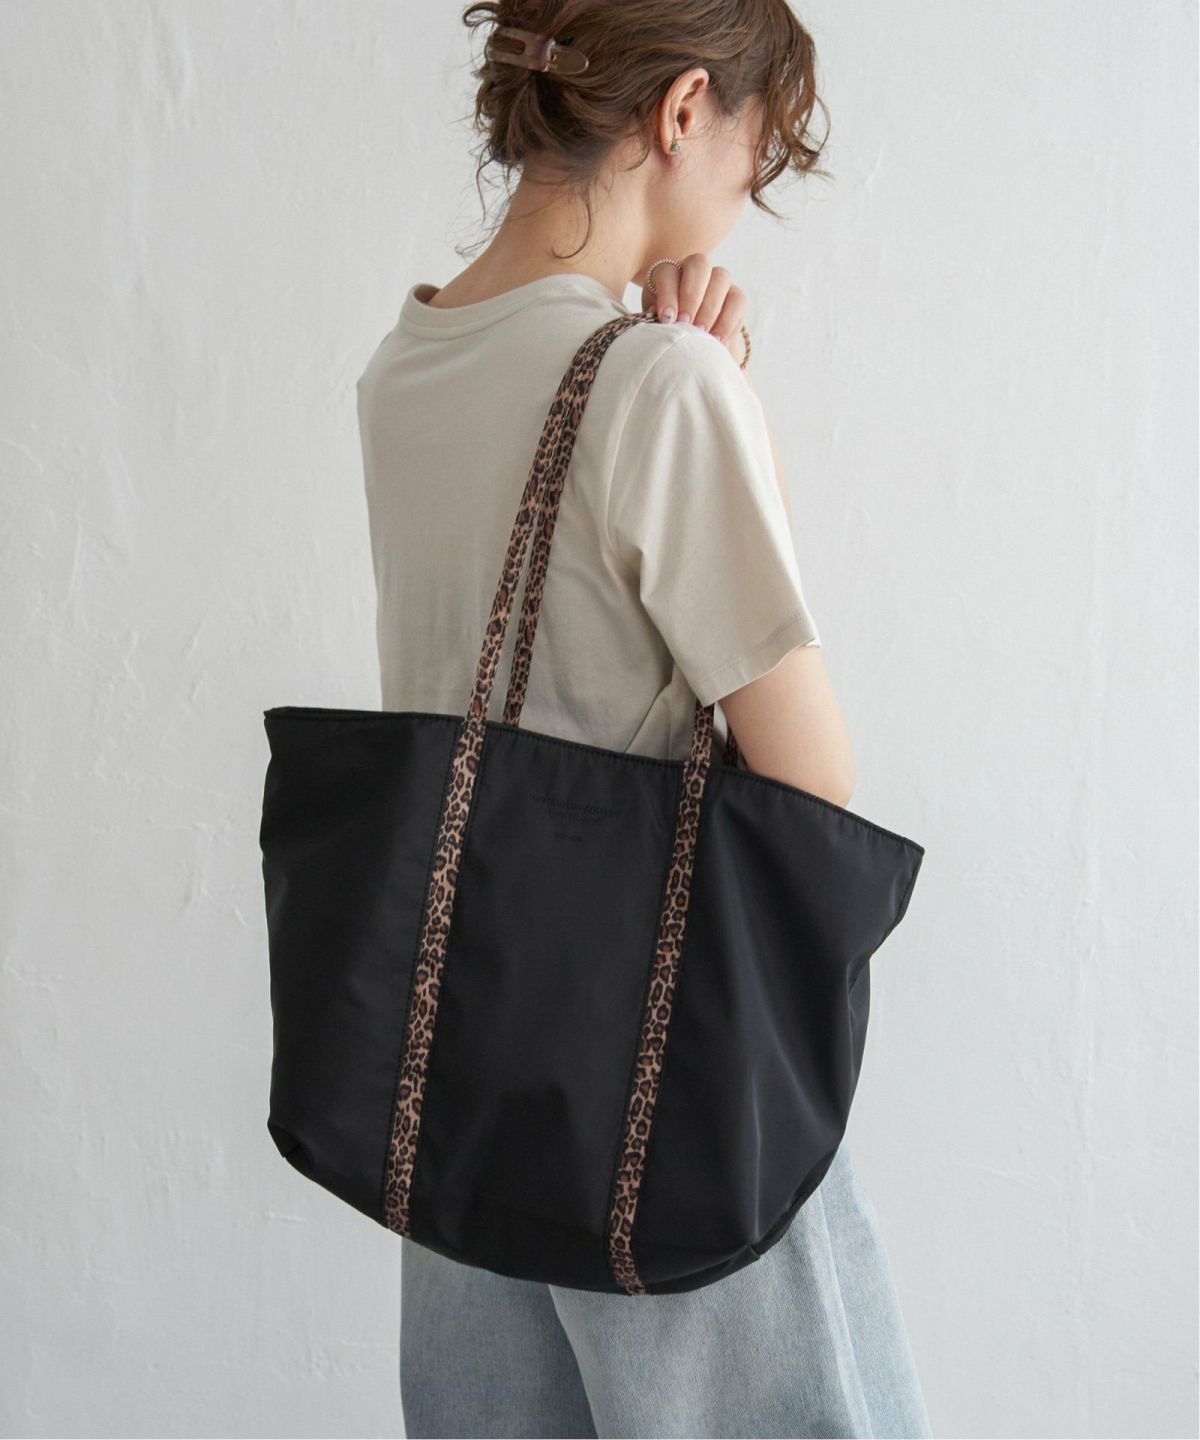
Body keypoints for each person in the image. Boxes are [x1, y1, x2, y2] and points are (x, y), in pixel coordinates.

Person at [354, 3, 931, 1435]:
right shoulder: (660, 383)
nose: (741, 200)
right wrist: (732, 406)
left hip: (463, 1074)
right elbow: (810, 783)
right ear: (682, 113)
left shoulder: (402, 368)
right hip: (666, 1082)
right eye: (754, 156)